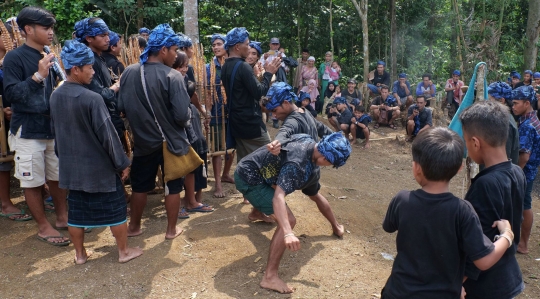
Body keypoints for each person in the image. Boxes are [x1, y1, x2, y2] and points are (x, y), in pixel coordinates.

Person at [381, 126, 516, 299]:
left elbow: (388, 226)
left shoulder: (402, 200)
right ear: (460, 168)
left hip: (398, 293)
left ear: (417, 168)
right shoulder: (462, 211)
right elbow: (484, 260)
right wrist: (507, 235)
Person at [50, 40, 143, 264]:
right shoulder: (93, 98)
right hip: (99, 168)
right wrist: (122, 163)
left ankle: (80, 254)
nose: (93, 72)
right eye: (89, 67)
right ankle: (123, 252)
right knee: (116, 210)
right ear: (75, 69)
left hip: (72, 168)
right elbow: (108, 137)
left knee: (77, 213)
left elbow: (56, 133)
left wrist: (64, 161)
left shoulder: (55, 96)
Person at [235, 132, 351, 293]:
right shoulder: (297, 165)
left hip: (256, 168)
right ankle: (269, 277)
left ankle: (256, 212)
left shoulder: (308, 140)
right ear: (326, 159)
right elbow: (278, 197)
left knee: (279, 187)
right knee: (289, 221)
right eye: (330, 164)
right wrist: (288, 233)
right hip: (249, 178)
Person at [3, 7, 69, 246]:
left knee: (57, 176)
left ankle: (62, 218)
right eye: (45, 28)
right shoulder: (14, 58)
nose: (51, 32)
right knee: (31, 180)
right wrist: (38, 76)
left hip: (51, 127)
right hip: (28, 130)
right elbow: (11, 94)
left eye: (51, 28)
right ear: (28, 30)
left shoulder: (49, 54)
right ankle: (43, 226)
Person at [118, 24, 188, 240]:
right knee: (173, 187)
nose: (176, 56)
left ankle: (134, 227)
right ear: (164, 50)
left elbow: (121, 106)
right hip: (171, 143)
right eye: (175, 50)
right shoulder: (173, 76)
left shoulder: (129, 72)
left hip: (142, 143)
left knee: (139, 187)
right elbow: (182, 115)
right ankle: (171, 230)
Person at [458, 101, 525, 299]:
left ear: (476, 142)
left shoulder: (485, 185)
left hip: (485, 286)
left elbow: (479, 243)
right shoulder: (517, 173)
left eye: (466, 142)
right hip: (507, 275)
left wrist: (457, 281)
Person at [264, 83, 343, 236]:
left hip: (296, 169)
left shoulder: (292, 121)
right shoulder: (306, 113)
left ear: (286, 103)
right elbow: (323, 129)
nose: (274, 115)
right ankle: (336, 226)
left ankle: (284, 231)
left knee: (271, 191)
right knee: (316, 196)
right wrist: (338, 137)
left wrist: (277, 142)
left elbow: (285, 131)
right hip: (312, 171)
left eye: (275, 110)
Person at [173, 50, 214, 215]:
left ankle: (192, 201)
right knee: (179, 169)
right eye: (180, 66)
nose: (184, 70)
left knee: (193, 164)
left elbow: (194, 97)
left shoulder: (183, 79)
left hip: (191, 123)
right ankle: (181, 204)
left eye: (185, 66)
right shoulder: (169, 80)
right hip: (179, 128)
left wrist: (203, 113)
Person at [74, 18, 124, 140]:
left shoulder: (99, 58)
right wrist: (120, 83)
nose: (107, 39)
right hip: (102, 123)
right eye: (102, 36)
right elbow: (100, 95)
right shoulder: (89, 62)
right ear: (89, 38)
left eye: (107, 35)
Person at [205, 33, 235, 198]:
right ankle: (217, 184)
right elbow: (207, 93)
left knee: (231, 149)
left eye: (219, 44)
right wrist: (208, 112)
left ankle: (226, 174)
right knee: (217, 149)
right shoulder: (209, 67)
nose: (216, 47)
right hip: (217, 114)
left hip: (232, 113)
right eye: (213, 44)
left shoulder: (233, 64)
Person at [511, 85, 540, 254]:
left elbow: (524, 156)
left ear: (527, 103)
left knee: (524, 204)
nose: (513, 106)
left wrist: (515, 174)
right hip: (530, 170)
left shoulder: (528, 125)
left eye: (516, 103)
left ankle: (523, 244)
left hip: (526, 171)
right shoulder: (531, 119)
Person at [487, 81, 519, 164]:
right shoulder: (502, 119)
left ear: (501, 100)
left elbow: (504, 158)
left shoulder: (505, 123)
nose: (487, 103)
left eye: (490, 99)